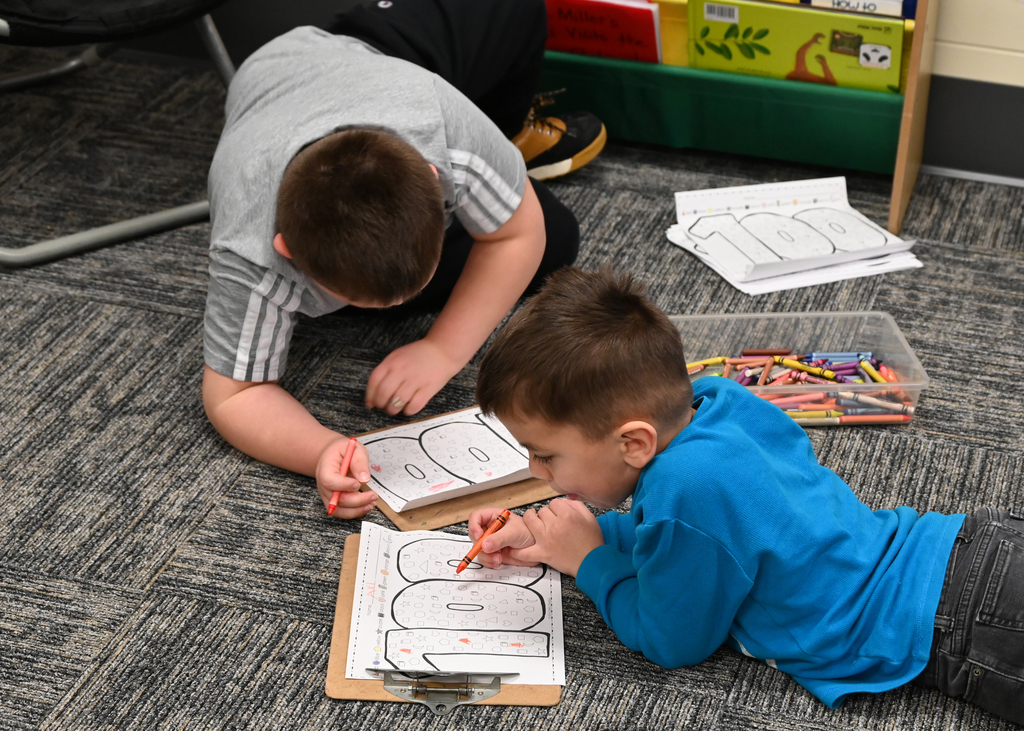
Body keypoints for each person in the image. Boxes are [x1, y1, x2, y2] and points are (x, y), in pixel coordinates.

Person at [467, 267, 1024, 725]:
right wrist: (551, 536)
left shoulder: (689, 492)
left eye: (545, 454)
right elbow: (698, 533)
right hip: (966, 546)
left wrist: (590, 562)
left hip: (952, 625)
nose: (535, 470)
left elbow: (670, 639)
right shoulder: (716, 400)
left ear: (634, 442)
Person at [201, 0, 607, 520]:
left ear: (434, 182)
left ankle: (505, 139)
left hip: (378, 60)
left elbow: (518, 233)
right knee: (560, 238)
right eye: (361, 298)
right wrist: (321, 449)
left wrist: (442, 349)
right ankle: (500, 176)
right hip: (284, 73)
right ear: (288, 253)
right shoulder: (249, 251)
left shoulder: (443, 127)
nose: (408, 299)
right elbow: (233, 396)